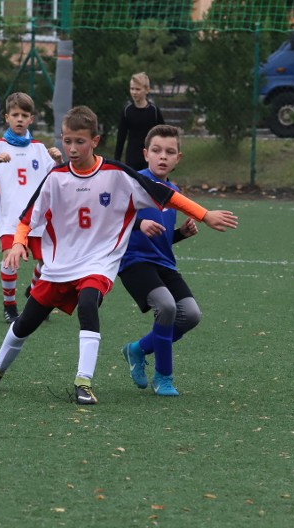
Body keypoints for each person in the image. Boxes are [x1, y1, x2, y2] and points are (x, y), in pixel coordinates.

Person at [0, 105, 237, 405]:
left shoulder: (117, 175)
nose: (72, 148)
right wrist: (19, 243)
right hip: (60, 264)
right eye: (67, 141)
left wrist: (204, 215)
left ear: (95, 140)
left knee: (88, 304)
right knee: (26, 322)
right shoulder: (55, 177)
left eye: (79, 141)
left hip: (98, 263)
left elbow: (168, 196)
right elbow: (27, 219)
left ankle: (83, 381)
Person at [118, 124, 203, 397]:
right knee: (166, 306)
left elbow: (161, 239)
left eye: (169, 152)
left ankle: (138, 349)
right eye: (156, 151)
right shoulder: (132, 182)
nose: (162, 156)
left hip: (164, 264)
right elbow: (113, 218)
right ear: (145, 154)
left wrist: (181, 234)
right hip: (133, 262)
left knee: (190, 315)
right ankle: (163, 377)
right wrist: (139, 223)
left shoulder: (174, 192)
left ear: (178, 158)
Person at [0, 92, 63, 324]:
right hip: (11, 218)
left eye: (24, 115)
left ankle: (32, 294)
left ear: (31, 119)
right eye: (15, 115)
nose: (19, 119)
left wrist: (59, 160)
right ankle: (9, 306)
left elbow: (59, 178)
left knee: (47, 264)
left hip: (38, 218)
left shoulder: (40, 149)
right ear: (7, 118)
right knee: (11, 260)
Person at [114, 72, 165, 171]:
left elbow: (163, 134)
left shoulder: (153, 111)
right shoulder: (127, 111)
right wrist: (117, 160)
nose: (134, 92)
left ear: (147, 90)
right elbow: (121, 136)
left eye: (138, 89)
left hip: (150, 157)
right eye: (132, 89)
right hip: (132, 157)